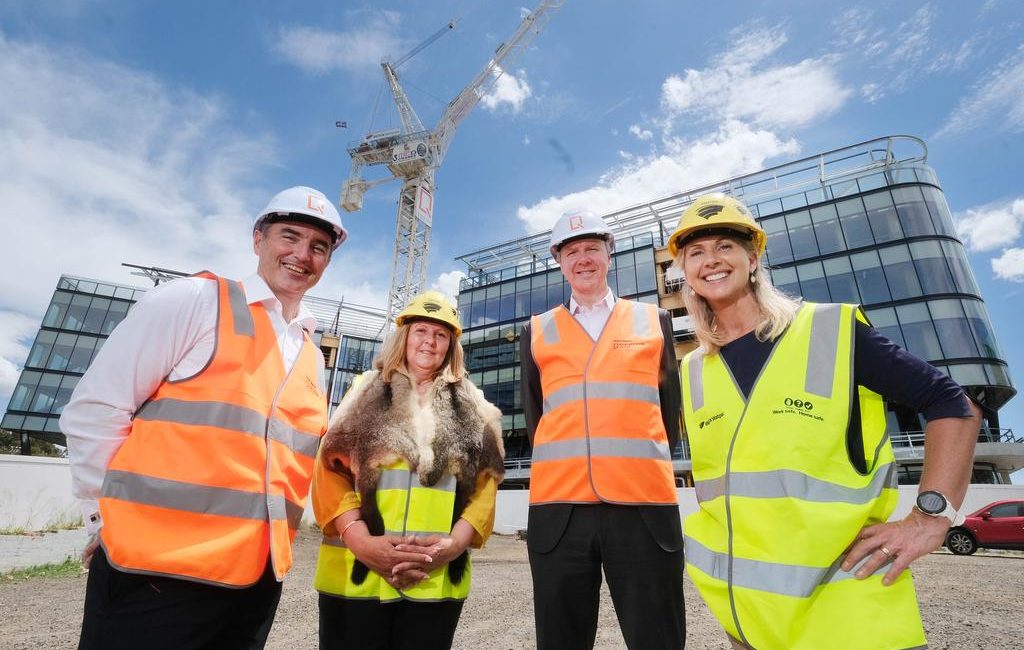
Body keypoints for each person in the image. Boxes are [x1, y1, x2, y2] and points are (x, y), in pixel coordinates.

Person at [669, 193, 982, 650]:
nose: (711, 261)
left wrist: (929, 518)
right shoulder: (694, 370)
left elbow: (950, 403)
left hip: (847, 617)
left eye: (725, 247)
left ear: (753, 259)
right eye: (696, 252)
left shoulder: (828, 330)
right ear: (685, 272)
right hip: (752, 624)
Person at [61, 186, 347, 650]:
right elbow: (96, 409)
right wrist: (101, 519)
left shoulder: (313, 356)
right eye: (288, 237)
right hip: (158, 574)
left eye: (318, 247)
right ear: (258, 239)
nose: (302, 254)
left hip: (253, 584)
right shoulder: (195, 301)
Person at [520, 210, 686, 650]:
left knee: (658, 638)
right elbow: (537, 417)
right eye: (572, 251)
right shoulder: (536, 331)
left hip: (643, 506)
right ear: (559, 260)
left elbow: (670, 413)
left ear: (609, 253)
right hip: (560, 509)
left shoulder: (653, 321)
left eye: (592, 248)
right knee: (561, 639)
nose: (583, 258)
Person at [313, 290, 505, 650]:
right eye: (421, 331)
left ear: (451, 346)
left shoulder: (474, 406)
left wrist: (454, 544)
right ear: (404, 335)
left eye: (441, 335)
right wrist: (361, 542)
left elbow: (486, 485)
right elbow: (330, 470)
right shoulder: (363, 389)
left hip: (434, 576)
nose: (429, 342)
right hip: (356, 572)